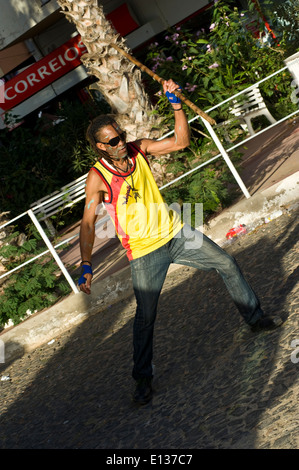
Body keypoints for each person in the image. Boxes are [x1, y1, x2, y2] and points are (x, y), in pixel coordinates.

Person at [78, 79, 283, 405]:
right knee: (146, 316)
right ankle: (142, 380)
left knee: (226, 263)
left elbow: (181, 143)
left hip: (176, 234)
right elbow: (89, 223)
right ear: (101, 146)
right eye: (114, 140)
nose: (121, 143)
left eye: (122, 136)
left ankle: (255, 318)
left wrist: (175, 104)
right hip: (143, 251)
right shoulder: (98, 176)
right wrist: (87, 264)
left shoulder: (139, 148)